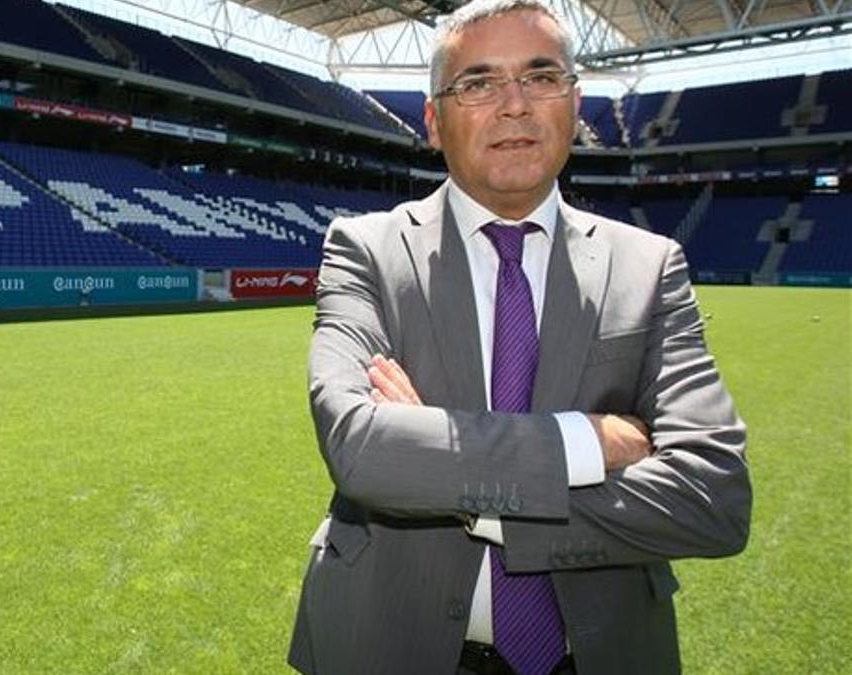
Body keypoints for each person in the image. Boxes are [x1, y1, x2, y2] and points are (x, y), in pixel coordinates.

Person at [286, 1, 752, 674]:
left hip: (601, 651)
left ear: (574, 101)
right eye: (477, 83)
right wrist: (588, 441)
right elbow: (363, 451)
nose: (514, 105)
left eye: (540, 77)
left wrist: (452, 473)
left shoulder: (651, 266)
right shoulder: (365, 250)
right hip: (386, 641)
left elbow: (713, 499)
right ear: (434, 122)